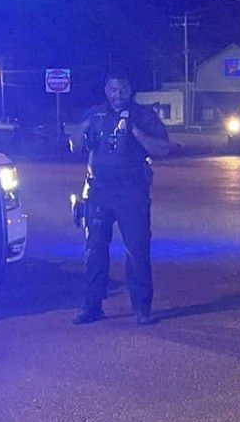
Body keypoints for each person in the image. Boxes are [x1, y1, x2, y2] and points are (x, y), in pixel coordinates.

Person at [72, 72, 170, 326]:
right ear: (106, 90)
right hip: (99, 192)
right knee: (94, 251)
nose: (118, 94)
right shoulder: (94, 115)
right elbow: (75, 147)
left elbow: (162, 148)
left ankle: (141, 309)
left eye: (123, 89)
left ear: (130, 89)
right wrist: (81, 129)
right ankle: (92, 306)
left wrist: (135, 132)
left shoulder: (143, 116)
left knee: (137, 250)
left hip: (132, 193)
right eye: (113, 89)